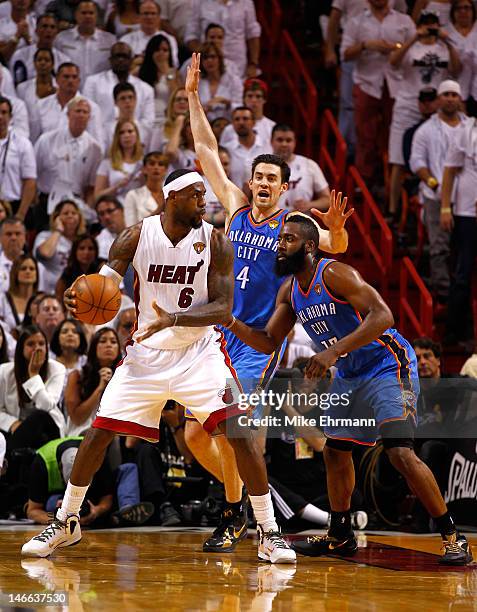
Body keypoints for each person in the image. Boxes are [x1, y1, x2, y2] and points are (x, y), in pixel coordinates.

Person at [21, 167, 296, 564]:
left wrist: (176, 319)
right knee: (98, 434)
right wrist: (80, 301)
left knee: (241, 431)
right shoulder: (135, 236)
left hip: (200, 353)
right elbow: (103, 288)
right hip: (145, 356)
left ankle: (269, 531)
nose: (206, 201)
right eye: (197, 194)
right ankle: (66, 521)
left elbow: (222, 308)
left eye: (206, 194)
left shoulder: (216, 241)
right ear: (173, 198)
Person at [227, 213, 473, 566]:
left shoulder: (334, 273)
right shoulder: (290, 290)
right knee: (335, 452)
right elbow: (267, 342)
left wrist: (333, 350)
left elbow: (383, 315)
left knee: (399, 452)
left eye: (288, 240)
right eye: (279, 240)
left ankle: (452, 536)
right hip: (350, 373)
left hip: (387, 364)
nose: (280, 246)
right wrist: (230, 321)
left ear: (310, 247)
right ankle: (340, 535)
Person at [184, 53, 352, 553]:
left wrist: (338, 231)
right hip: (214, 338)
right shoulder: (235, 208)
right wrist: (192, 95)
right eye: (256, 176)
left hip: (256, 342)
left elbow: (336, 246)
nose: (260, 183)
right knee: (195, 436)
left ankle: (249, 519)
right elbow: (206, 149)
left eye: (270, 179)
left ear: (284, 187)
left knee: (239, 430)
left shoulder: (295, 227)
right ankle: (246, 505)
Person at [387, 11, 460, 219]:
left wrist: (447, 40)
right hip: (409, 103)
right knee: (398, 160)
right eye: (426, 24)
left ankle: (436, 195)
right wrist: (413, 37)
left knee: (440, 154)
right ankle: (392, 210)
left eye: (433, 24)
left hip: (438, 103)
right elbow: (393, 62)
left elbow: (456, 69)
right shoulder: (412, 46)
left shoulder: (444, 47)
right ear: (419, 25)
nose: (430, 28)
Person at [341, 0, 415, 193]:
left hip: (398, 85)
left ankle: (391, 182)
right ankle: (364, 181)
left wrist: (397, 50)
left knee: (394, 136)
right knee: (365, 134)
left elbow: (417, 51)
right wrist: (366, 45)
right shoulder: (356, 22)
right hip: (367, 83)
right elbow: (345, 54)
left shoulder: (404, 21)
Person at [410, 80, 466, 303]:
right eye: (446, 94)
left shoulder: (472, 127)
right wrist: (433, 183)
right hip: (436, 195)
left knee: (465, 247)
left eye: (454, 94)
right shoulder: (425, 131)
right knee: (439, 248)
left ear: (460, 98)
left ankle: (463, 293)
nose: (450, 98)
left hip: (468, 199)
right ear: (439, 99)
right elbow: (416, 161)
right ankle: (443, 295)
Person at [441, 115, 477, 349]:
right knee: (462, 275)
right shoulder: (468, 130)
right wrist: (446, 206)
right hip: (467, 214)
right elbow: (449, 171)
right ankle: (454, 331)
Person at [34, 97, 103, 220]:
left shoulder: (95, 148)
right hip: (47, 200)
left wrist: (89, 209)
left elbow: (91, 186)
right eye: (78, 111)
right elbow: (33, 174)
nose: (81, 115)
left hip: (77, 204)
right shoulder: (47, 140)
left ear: (89, 117)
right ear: (68, 114)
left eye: (85, 112)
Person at [0, 324, 66, 449]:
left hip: (48, 427)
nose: (37, 348)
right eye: (31, 344)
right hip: (16, 427)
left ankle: (9, 460)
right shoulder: (4, 371)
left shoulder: (57, 369)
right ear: (21, 348)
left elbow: (46, 406)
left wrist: (34, 374)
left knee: (39, 416)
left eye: (41, 344)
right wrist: (12, 423)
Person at [64, 328, 122, 437]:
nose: (109, 345)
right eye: (103, 341)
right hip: (80, 435)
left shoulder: (123, 377)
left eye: (113, 342)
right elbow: (77, 419)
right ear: (94, 346)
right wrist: (100, 388)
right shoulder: (77, 375)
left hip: (115, 435)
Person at [83, 42, 155, 128]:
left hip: (135, 136)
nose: (121, 60)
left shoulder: (146, 89)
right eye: (117, 56)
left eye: (124, 57)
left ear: (131, 60)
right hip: (102, 137)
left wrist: (128, 131)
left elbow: (148, 122)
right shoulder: (93, 82)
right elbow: (88, 115)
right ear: (110, 60)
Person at [184, 0, 261, 78]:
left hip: (238, 66)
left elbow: (252, 33)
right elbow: (191, 35)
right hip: (207, 68)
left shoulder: (246, 2)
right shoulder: (199, 2)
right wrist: (205, 54)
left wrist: (253, 63)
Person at [32, 62, 104, 146]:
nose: (70, 80)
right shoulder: (41, 105)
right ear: (57, 80)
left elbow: (96, 143)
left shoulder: (92, 108)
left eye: (74, 77)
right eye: (66, 77)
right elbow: (34, 138)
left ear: (79, 81)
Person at [53, 0, 116, 86]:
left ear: (97, 16)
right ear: (76, 15)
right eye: (84, 13)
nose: (87, 16)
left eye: (91, 13)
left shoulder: (110, 40)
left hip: (100, 90)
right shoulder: (61, 39)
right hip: (70, 89)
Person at [270, 124, 331, 212]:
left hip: (302, 223)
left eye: (288, 140)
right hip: (270, 222)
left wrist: (310, 204)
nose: (284, 144)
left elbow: (327, 200)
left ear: (294, 142)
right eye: (280, 140)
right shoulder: (262, 166)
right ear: (271, 142)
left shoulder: (309, 164)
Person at [34, 200, 87, 294]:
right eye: (66, 213)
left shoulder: (83, 241)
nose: (70, 216)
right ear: (56, 217)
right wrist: (58, 230)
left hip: (78, 292)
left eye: (74, 213)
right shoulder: (45, 236)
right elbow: (45, 253)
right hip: (50, 292)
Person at [0, 96, 37, 224]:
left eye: (4, 112)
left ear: (10, 117)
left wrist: (20, 215)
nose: (0, 117)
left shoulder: (23, 144)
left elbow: (30, 181)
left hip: (13, 205)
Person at [9, 13, 70, 85]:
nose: (48, 30)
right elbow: (14, 83)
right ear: (36, 30)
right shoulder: (20, 55)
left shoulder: (64, 60)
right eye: (44, 26)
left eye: (52, 27)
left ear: (56, 32)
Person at [138, 34, 182, 130]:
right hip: (146, 119)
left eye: (165, 50)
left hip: (167, 118)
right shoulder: (140, 72)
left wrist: (167, 72)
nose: (161, 53)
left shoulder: (174, 73)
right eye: (157, 50)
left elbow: (177, 96)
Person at [94, 120, 144, 204]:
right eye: (122, 132)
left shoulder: (143, 163)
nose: (126, 135)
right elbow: (97, 196)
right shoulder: (107, 164)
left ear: (137, 135)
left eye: (130, 131)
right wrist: (117, 186)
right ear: (117, 137)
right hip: (117, 208)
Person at [220, 77, 275, 151]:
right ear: (243, 99)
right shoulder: (229, 129)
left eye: (258, 96)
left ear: (264, 99)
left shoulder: (271, 127)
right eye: (250, 96)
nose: (254, 100)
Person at [120, 0, 178, 66]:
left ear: (159, 17)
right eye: (146, 13)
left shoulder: (169, 39)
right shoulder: (126, 39)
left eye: (153, 13)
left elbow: (174, 64)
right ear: (138, 17)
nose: (149, 17)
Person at [196, 42, 243, 123]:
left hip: (229, 124)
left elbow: (240, 108)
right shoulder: (197, 83)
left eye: (213, 57)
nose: (209, 61)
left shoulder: (233, 80)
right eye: (205, 58)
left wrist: (225, 102)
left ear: (220, 59)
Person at [446, 0, 477, 116]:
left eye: (467, 8)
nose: (463, 11)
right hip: (454, 91)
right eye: (458, 8)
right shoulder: (446, 32)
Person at [123, 151, 168, 225]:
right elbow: (130, 228)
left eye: (160, 164)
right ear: (144, 169)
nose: (156, 167)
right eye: (152, 164)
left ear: (166, 170)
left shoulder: (171, 195)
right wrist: (158, 211)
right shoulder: (133, 195)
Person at [55, 234, 103, 302]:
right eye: (82, 248)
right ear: (75, 251)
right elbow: (59, 301)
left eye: (90, 248)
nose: (86, 252)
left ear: (96, 252)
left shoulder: (101, 272)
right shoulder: (67, 274)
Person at [0, 254, 39, 334]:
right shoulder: (3, 299)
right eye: (23, 268)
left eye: (32, 269)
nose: (28, 271)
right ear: (15, 272)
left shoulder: (42, 299)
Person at [0, 218, 27, 294]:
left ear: (25, 237)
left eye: (18, 234)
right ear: (0, 238)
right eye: (8, 234)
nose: (13, 238)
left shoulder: (37, 267)